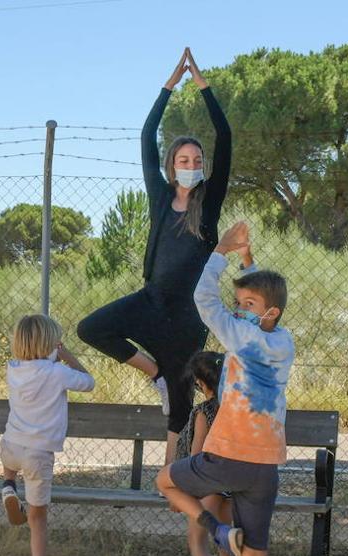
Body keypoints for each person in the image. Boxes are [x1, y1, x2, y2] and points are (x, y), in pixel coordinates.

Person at [77, 47, 231, 463]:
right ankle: (155, 373)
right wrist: (168, 87)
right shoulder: (161, 197)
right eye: (184, 159)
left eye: (197, 160)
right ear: (171, 165)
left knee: (181, 402)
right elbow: (146, 137)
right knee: (91, 327)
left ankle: (169, 476)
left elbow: (226, 137)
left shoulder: (208, 202)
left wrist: (203, 86)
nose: (191, 164)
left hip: (188, 313)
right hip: (151, 301)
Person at [156, 222, 293, 556]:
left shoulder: (240, 335)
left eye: (247, 305)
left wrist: (220, 251)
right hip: (266, 465)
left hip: (228, 456)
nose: (239, 310)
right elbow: (265, 306)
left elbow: (203, 299)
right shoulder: (282, 341)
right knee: (257, 555)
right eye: (240, 305)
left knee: (165, 481)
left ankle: (216, 532)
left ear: (266, 312)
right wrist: (249, 263)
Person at [0, 315, 95, 556]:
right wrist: (68, 357)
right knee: (37, 518)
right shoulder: (57, 372)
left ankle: (7, 486)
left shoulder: (12, 368)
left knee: (12, 446)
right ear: (50, 345)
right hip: (38, 454)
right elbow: (89, 383)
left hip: (10, 447)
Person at [173, 350, 237, 556]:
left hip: (209, 482)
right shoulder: (235, 407)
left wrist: (184, 489)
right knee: (225, 536)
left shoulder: (204, 411)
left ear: (200, 382)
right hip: (234, 482)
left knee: (197, 539)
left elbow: (197, 454)